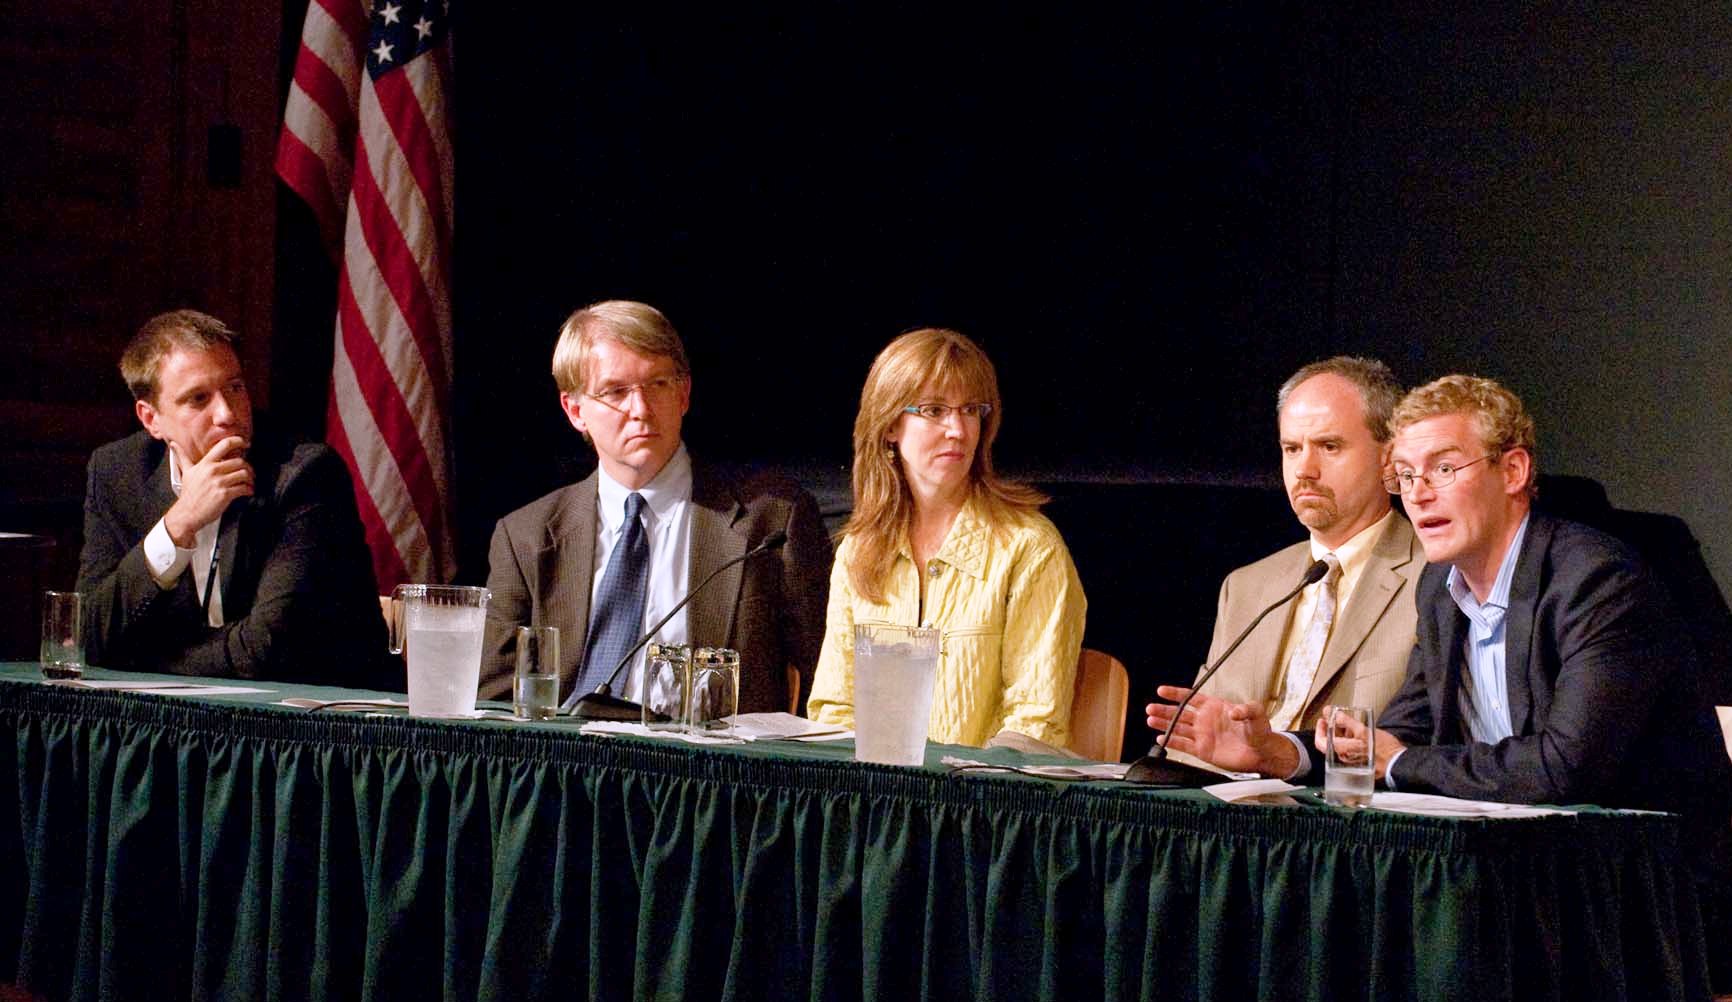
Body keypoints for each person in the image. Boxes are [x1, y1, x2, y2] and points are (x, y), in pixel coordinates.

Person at [1147, 375, 1732, 842]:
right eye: (1406, 475)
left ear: (1514, 471)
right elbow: (1398, 733)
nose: (1419, 492)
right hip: (1520, 866)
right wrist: (1282, 752)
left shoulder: (1597, 581)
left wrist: (1399, 764)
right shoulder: (1440, 590)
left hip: (1653, 891)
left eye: (1444, 469)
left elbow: (1564, 769)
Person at [480, 300, 832, 712]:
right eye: (615, 392)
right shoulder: (526, 535)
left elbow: (825, 684)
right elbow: (496, 703)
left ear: (683, 394)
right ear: (575, 411)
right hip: (567, 764)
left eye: (657, 385)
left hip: (705, 769)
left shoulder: (770, 521)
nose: (641, 410)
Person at [77, 309, 393, 685]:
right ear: (151, 419)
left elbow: (267, 648)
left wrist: (139, 655)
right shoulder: (117, 472)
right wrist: (178, 525)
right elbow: (87, 635)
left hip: (317, 726)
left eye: (235, 388)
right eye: (198, 398)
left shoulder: (305, 474)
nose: (227, 414)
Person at [807, 328, 1087, 748]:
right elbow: (833, 712)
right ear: (889, 427)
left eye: (971, 409)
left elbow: (1034, 727)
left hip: (983, 804)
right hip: (874, 801)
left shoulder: (1029, 547)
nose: (958, 429)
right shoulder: (858, 551)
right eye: (935, 410)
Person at [1198, 357, 1422, 731]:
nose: (1304, 470)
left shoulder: (1435, 578)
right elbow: (1200, 743)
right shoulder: (1244, 588)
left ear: (1389, 459)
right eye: (1291, 449)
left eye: (1329, 446)